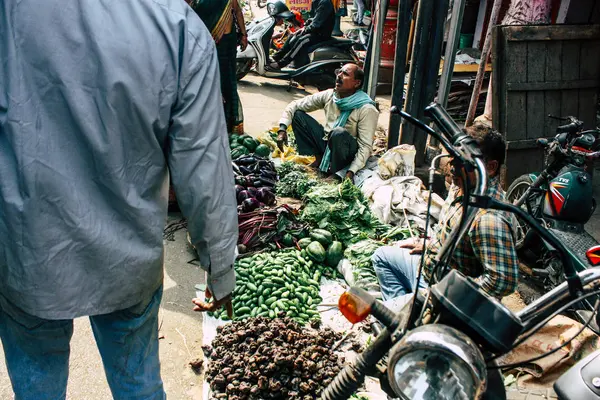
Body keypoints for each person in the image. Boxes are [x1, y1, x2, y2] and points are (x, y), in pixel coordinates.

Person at [0, 1, 237, 399]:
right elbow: (202, 159)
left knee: (37, 385)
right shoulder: (176, 25)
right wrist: (220, 266)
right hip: (126, 259)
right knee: (138, 386)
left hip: (29, 254)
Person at [372, 125, 519, 301]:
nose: (452, 166)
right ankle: (410, 311)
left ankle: (414, 312)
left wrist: (445, 294)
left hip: (441, 291)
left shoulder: (489, 219)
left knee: (385, 313)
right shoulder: (461, 186)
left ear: (490, 167)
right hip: (431, 270)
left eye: (462, 161)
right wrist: (430, 244)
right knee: (381, 256)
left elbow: (503, 282)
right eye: (452, 157)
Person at [277, 63, 379, 182]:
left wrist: (350, 172)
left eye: (345, 74)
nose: (339, 76)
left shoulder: (366, 108)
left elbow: (365, 146)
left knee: (338, 133)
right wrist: (282, 129)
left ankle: (336, 171)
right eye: (339, 72)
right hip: (328, 143)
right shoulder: (331, 95)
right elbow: (295, 104)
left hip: (347, 152)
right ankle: (320, 160)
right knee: (298, 115)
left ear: (357, 83)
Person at [188, 0, 248, 134]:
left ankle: (228, 122)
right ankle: (207, 123)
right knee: (209, 82)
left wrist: (244, 35)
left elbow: (237, 10)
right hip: (206, 43)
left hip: (228, 42)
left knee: (228, 81)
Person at [270, 0, 335, 69]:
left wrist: (305, 29)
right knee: (292, 36)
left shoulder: (325, 3)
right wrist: (304, 27)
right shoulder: (316, 2)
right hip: (315, 31)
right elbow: (313, 19)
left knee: (302, 41)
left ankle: (281, 63)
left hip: (321, 35)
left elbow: (316, 24)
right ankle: (275, 57)